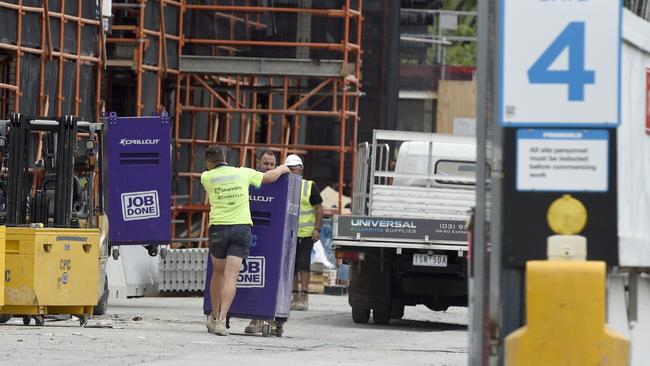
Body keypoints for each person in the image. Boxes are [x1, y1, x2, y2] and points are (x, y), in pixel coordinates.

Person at [201, 146, 289, 336]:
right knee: (232, 275)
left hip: (219, 228)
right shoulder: (243, 173)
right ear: (225, 158)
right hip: (241, 228)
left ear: (208, 163)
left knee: (218, 273)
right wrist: (282, 168)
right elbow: (269, 178)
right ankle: (222, 321)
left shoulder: (206, 178)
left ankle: (214, 317)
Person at [244, 149, 277, 335]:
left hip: (272, 238)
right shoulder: (249, 179)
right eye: (266, 164)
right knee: (253, 279)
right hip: (252, 233)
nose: (269, 167)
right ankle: (255, 319)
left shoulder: (280, 183)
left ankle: (269, 320)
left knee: (269, 278)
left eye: (272, 164)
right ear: (258, 162)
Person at [284, 154, 323, 311]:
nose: (291, 173)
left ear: (300, 170)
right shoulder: (284, 185)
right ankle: (294, 296)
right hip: (289, 233)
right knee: (291, 265)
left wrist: (317, 229)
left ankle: (304, 296)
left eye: (293, 170)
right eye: (288, 170)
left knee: (303, 264)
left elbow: (319, 207)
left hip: (306, 233)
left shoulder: (309, 186)